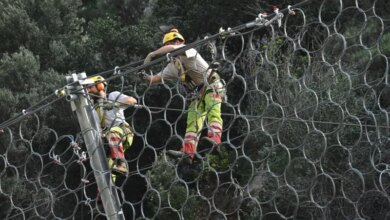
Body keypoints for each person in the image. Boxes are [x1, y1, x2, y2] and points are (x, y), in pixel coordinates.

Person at [141, 28, 225, 163]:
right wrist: (145, 77)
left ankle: (215, 140)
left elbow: (174, 47)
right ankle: (188, 152)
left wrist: (152, 54)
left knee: (213, 111)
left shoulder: (188, 50)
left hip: (211, 84)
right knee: (192, 122)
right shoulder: (173, 66)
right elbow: (155, 79)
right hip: (198, 92)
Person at [83, 75, 137, 174]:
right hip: (111, 142)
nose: (88, 91)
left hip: (123, 132)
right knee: (106, 171)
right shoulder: (93, 110)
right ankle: (106, 186)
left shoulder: (112, 96)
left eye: (90, 87)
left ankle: (121, 164)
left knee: (112, 132)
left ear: (100, 85)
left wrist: (114, 104)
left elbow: (132, 100)